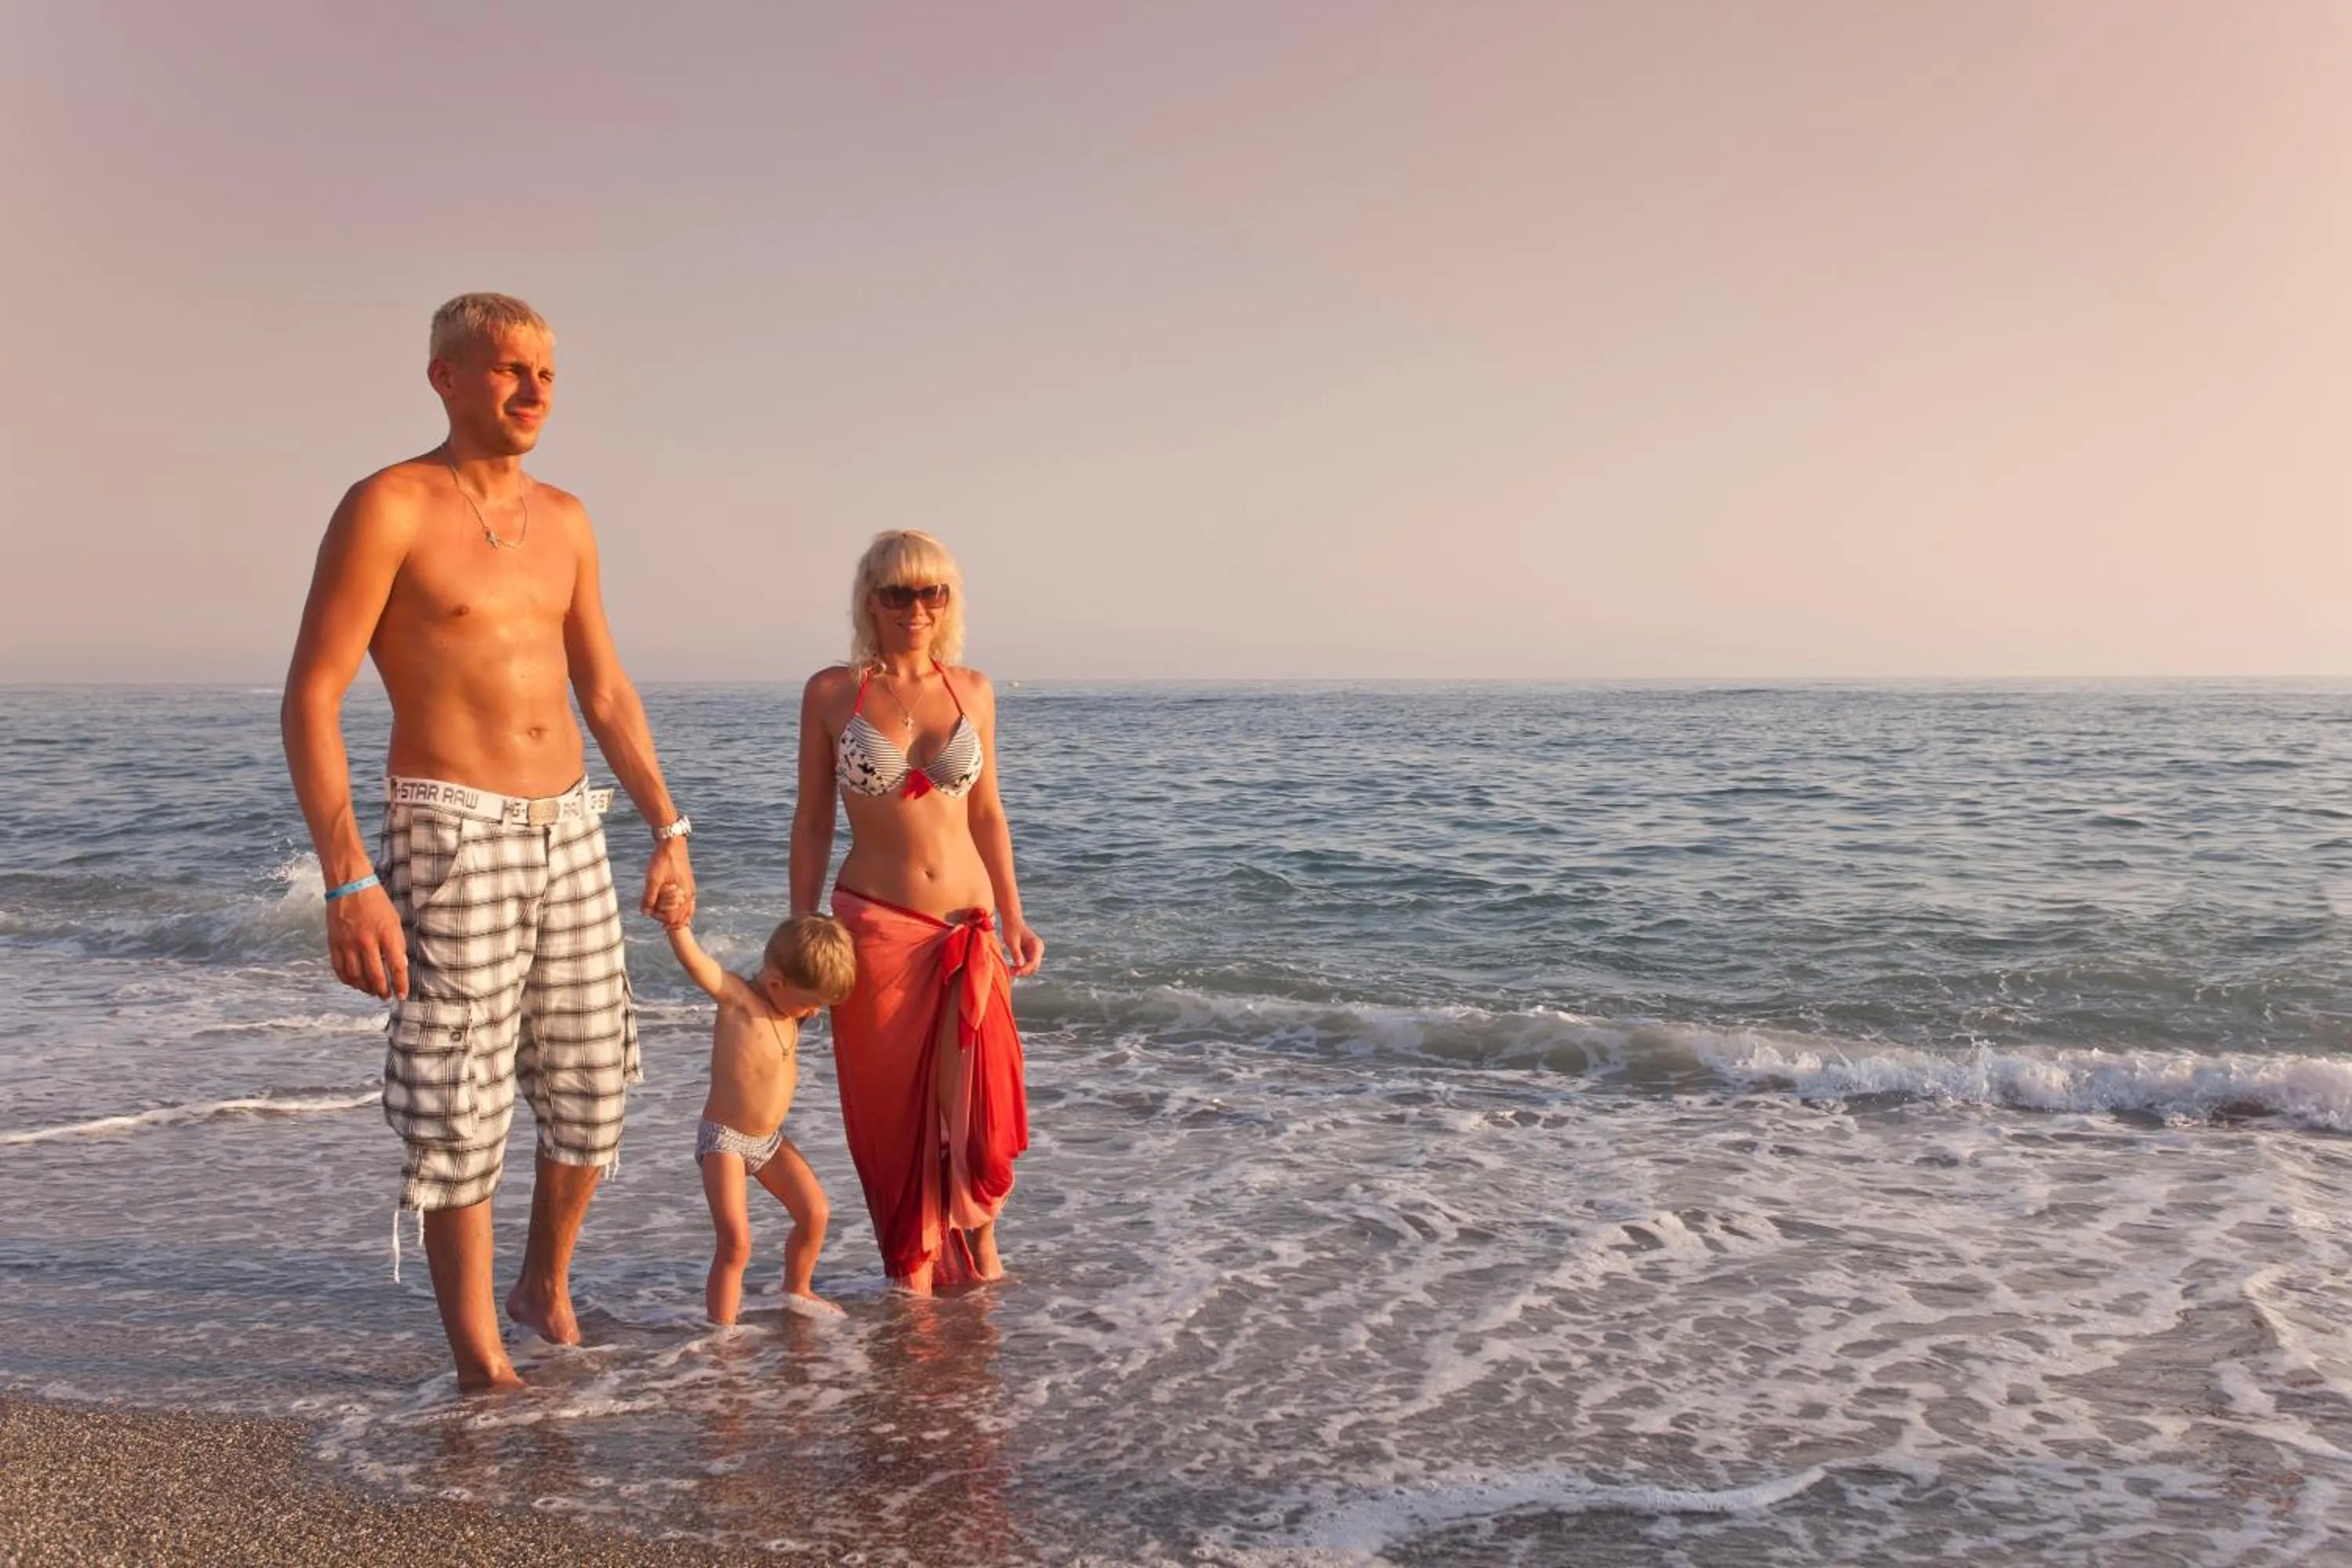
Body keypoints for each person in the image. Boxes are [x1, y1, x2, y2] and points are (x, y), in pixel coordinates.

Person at [281, 292, 696, 1392]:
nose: (532, 391)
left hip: (572, 828)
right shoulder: (390, 505)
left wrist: (668, 824)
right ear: (447, 378)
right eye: (509, 369)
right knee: (460, 1097)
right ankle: (480, 1360)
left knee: (596, 1084)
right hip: (450, 826)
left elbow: (603, 688)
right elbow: (311, 699)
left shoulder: (567, 517)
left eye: (547, 375)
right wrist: (348, 881)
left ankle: (541, 1283)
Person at [789, 531, 1042, 1294]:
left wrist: (1015, 912)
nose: (917, 607)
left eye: (932, 591)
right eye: (899, 592)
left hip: (968, 928)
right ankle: (915, 1282)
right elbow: (811, 820)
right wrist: (802, 931)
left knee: (978, 1115)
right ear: (871, 599)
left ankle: (982, 1257)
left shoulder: (974, 688)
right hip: (874, 929)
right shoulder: (834, 692)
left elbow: (989, 813)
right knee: (894, 1120)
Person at [660, 907, 857, 1323]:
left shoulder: (790, 1008)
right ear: (775, 982)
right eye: (809, 1004)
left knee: (815, 1213)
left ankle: (797, 1288)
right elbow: (698, 963)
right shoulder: (739, 1001)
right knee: (736, 1243)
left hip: (769, 1141)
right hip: (726, 1140)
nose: (813, 1014)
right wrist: (677, 925)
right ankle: (723, 1331)